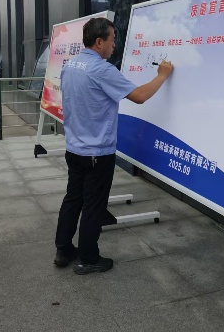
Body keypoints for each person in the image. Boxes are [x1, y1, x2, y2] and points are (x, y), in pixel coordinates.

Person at [53, 17, 173, 275]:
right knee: (93, 206)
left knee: (73, 199)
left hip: (74, 148)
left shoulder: (70, 65)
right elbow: (139, 96)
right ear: (99, 42)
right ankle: (88, 258)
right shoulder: (102, 69)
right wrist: (162, 76)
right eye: (112, 39)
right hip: (97, 152)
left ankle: (63, 250)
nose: (114, 45)